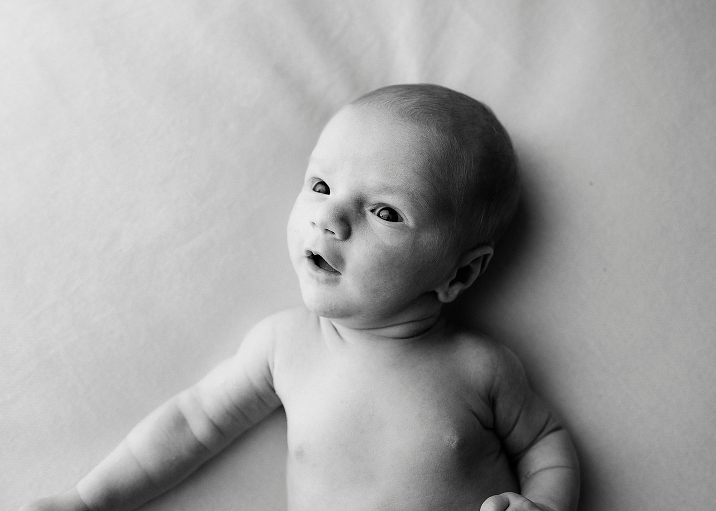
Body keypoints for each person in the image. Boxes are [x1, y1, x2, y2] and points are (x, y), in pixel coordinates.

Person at [20, 84, 579, 511]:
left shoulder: (479, 368)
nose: (329, 217)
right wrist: (88, 500)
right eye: (321, 186)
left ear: (459, 274)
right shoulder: (285, 347)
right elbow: (191, 424)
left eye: (385, 212)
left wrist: (545, 504)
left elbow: (546, 441)